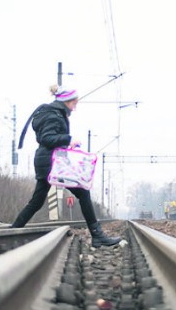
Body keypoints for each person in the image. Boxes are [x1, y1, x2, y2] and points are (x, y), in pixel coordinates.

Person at [12, 84, 121, 248]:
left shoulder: (54, 113)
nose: (75, 107)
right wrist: (68, 140)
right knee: (83, 192)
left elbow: (48, 139)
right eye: (74, 103)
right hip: (52, 163)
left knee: (37, 201)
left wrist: (65, 144)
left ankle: (14, 229)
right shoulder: (54, 115)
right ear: (66, 101)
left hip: (47, 161)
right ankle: (97, 235)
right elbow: (47, 138)